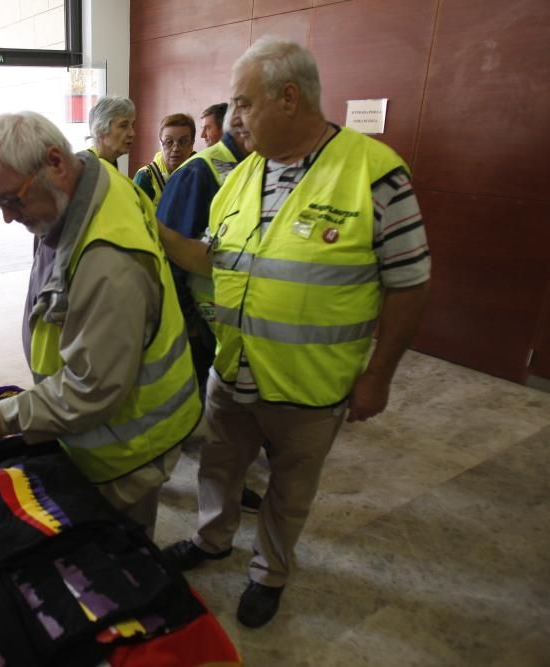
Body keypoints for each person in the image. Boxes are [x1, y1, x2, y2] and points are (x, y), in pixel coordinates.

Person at [158, 37, 431, 628]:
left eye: (243, 103)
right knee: (219, 469)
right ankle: (212, 542)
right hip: (232, 371)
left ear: (288, 98)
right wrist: (155, 235)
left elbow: (409, 284)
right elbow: (218, 260)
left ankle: (269, 574)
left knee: (289, 489)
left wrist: (378, 376)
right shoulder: (239, 176)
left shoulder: (374, 173)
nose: (234, 119)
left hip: (311, 385)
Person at [0, 111, 201, 538]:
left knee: (120, 548)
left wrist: (6, 417)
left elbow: (93, 387)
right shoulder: (90, 182)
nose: (7, 217)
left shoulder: (108, 258)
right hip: (98, 421)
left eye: (13, 200)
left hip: (126, 445)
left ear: (56, 163)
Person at [156, 108, 264, 514]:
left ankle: (228, 482)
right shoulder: (200, 172)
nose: (181, 146)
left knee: (224, 404)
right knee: (189, 399)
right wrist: (185, 318)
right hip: (198, 315)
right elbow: (170, 249)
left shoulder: (258, 167)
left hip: (233, 317)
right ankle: (162, 478)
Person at [132, 113, 196, 206]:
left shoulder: (199, 174)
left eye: (183, 141)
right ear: (160, 144)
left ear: (192, 144)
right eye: (169, 142)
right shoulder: (146, 178)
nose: (176, 148)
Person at [87, 96, 136, 167]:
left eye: (132, 125)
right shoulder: (89, 169)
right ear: (100, 130)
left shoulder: (108, 163)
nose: (132, 133)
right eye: (123, 126)